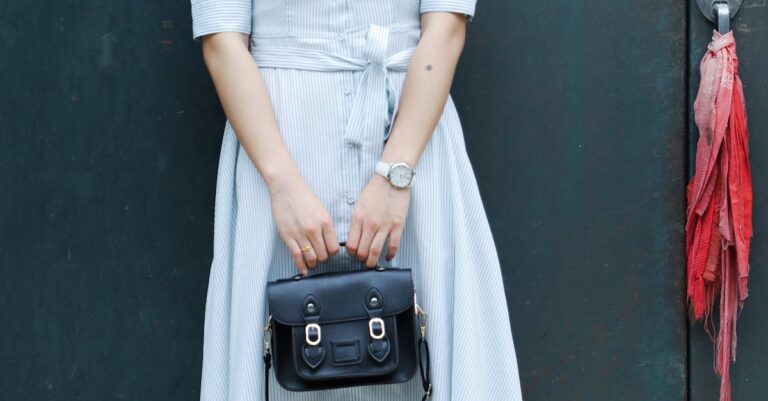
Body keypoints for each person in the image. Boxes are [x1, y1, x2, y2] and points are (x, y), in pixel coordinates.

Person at [190, 0, 523, 400]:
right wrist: (283, 184)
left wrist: (395, 174)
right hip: (278, 144)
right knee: (277, 352)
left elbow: (446, 25)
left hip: (413, 137)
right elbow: (221, 39)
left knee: (430, 340)